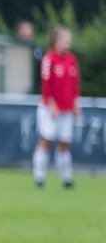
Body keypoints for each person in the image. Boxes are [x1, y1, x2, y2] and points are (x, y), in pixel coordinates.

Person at [32, 26, 81, 189]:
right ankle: (39, 177)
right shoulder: (49, 59)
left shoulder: (72, 59)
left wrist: (75, 103)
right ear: (56, 41)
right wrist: (51, 103)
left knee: (65, 143)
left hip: (67, 109)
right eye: (65, 40)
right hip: (50, 109)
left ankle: (66, 178)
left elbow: (75, 84)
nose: (68, 43)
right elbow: (46, 84)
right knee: (46, 140)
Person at [17, 20, 42, 96]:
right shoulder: (14, 50)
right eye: (24, 36)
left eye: (29, 36)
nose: (27, 39)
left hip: (32, 91)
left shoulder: (37, 50)